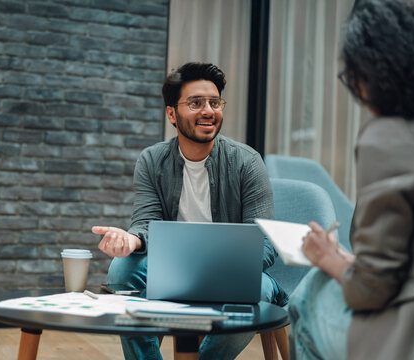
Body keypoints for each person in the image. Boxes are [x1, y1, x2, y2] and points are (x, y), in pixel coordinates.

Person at [289, 0, 414, 359]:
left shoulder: (390, 137)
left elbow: (371, 288)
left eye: (354, 76)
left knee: (308, 295)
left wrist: (328, 258)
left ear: (379, 74)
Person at [91, 62, 286, 359]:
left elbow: (266, 243)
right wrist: (132, 240)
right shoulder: (152, 160)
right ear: (172, 113)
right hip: (171, 270)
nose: (208, 111)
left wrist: (220, 268)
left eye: (214, 102)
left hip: (234, 274)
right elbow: (145, 221)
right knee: (122, 269)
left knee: (258, 290)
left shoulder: (247, 162)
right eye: (196, 103)